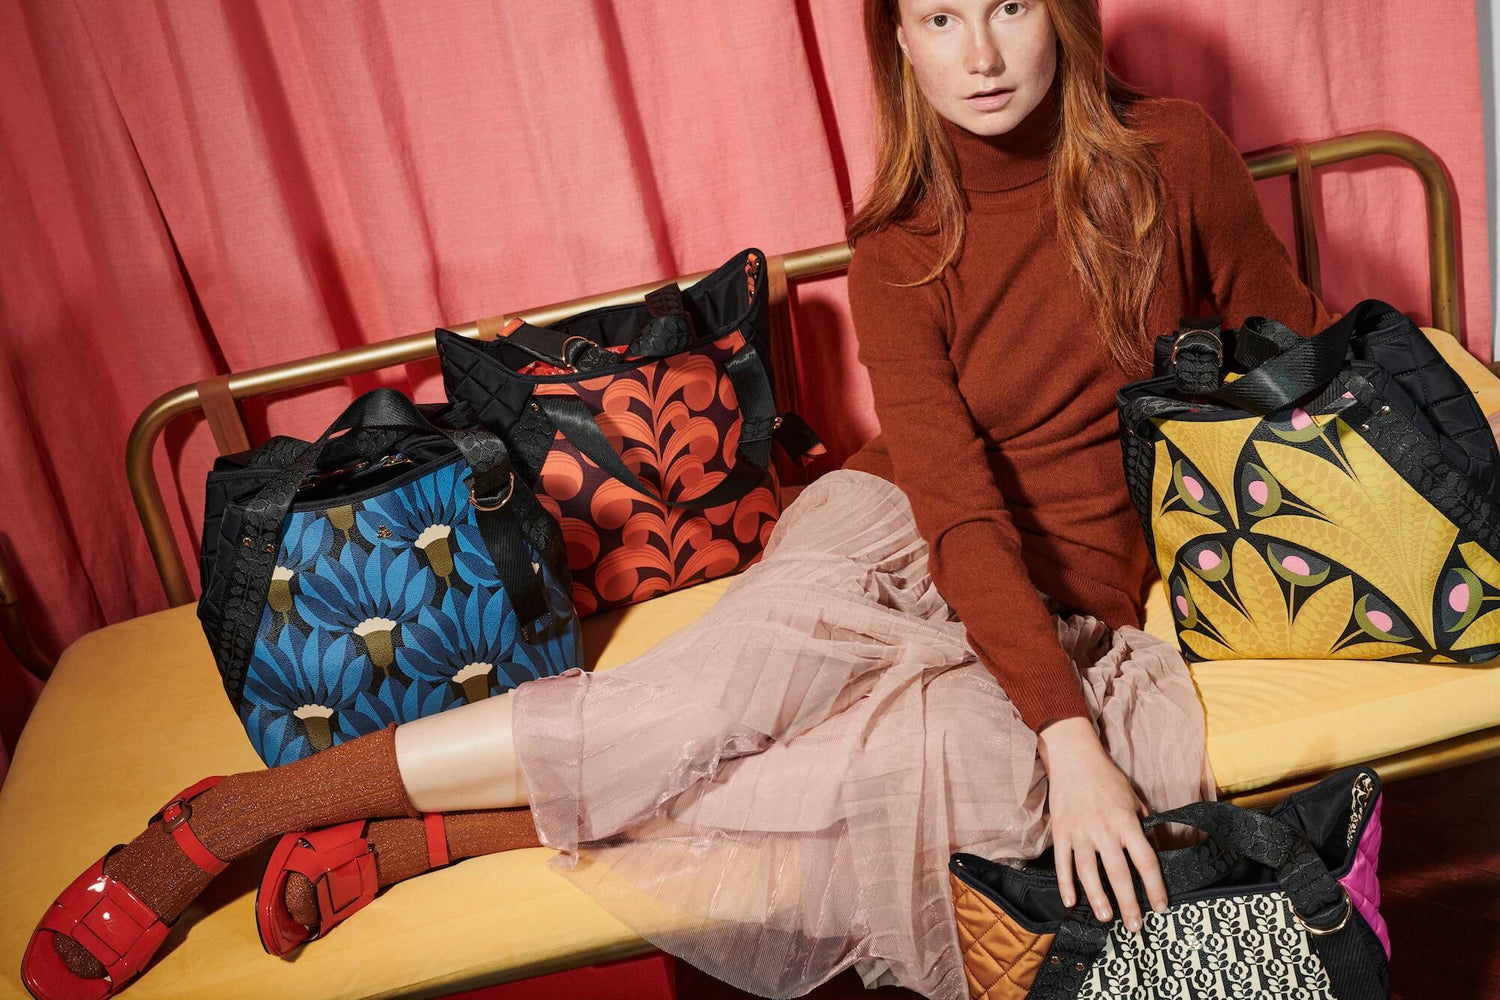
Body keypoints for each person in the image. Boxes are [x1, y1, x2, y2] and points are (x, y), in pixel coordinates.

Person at [26, 1, 1375, 998]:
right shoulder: (903, 243)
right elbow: (961, 511)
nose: (981, 54)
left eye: (1011, 5)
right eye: (940, 18)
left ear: (1066, 15)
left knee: (943, 787)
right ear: (894, 45)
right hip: (908, 532)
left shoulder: (1174, 157)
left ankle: (438, 835)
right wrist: (1071, 738)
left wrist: (1401, 436)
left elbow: (1295, 353)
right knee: (707, 707)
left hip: (1078, 599)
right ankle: (234, 813)